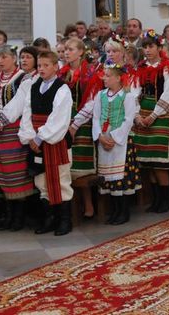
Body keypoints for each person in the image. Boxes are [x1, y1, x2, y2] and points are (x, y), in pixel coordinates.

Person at [19, 50, 74, 236]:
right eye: (39, 65)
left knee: (61, 179)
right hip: (36, 140)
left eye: (46, 65)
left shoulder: (62, 89)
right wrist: (30, 136)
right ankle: (49, 218)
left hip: (56, 141)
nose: (41, 69)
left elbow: (59, 118)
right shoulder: (34, 86)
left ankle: (64, 220)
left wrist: (40, 137)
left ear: (56, 67)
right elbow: (27, 112)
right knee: (41, 181)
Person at [0, 45, 33, 230]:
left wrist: (0, 122)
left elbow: (19, 104)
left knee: (14, 174)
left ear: (14, 59)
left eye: (3, 57)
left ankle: (18, 217)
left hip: (12, 131)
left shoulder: (24, 78)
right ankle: (7, 214)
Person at [131, 30, 169, 213]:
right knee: (148, 163)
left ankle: (165, 199)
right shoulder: (140, 68)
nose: (147, 50)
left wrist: (153, 115)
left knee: (159, 163)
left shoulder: (167, 68)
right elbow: (134, 93)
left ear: (158, 47)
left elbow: (168, 93)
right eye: (144, 47)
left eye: (151, 46)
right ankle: (155, 199)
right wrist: (137, 115)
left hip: (160, 114)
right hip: (143, 113)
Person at [85, 61, 140, 224]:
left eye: (108, 76)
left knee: (120, 177)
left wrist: (114, 138)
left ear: (118, 78)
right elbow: (96, 117)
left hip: (120, 141)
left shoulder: (127, 96)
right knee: (109, 177)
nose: (104, 78)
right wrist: (100, 136)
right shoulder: (100, 95)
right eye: (104, 75)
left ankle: (124, 211)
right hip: (104, 139)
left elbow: (128, 119)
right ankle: (115, 210)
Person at [62, 37, 104, 220]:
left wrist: (75, 124)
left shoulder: (91, 73)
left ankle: (88, 204)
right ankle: (73, 205)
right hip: (64, 120)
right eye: (65, 49)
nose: (66, 52)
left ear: (81, 52)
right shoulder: (62, 73)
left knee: (81, 168)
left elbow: (92, 102)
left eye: (70, 49)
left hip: (83, 122)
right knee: (67, 166)